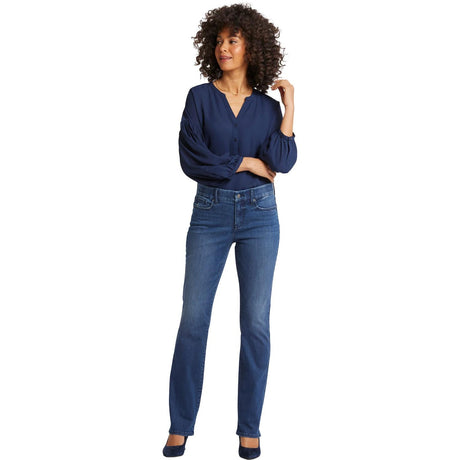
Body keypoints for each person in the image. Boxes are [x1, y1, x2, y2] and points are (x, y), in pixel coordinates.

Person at [163, 4, 297, 458]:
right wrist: (245, 162)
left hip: (260, 215)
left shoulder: (267, 107)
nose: (223, 48)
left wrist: (290, 109)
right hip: (210, 213)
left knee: (255, 324)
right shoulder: (199, 98)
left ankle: (249, 428)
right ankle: (181, 423)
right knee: (193, 320)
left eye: (232, 41)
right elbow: (191, 156)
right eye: (219, 41)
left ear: (251, 48)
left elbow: (282, 161)